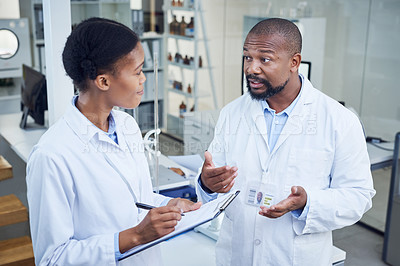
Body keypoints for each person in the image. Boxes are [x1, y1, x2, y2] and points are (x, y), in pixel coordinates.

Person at [196, 18, 375, 265]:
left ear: (294, 62)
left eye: (264, 59)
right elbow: (213, 179)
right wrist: (207, 183)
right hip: (236, 255)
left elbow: (359, 196)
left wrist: (308, 203)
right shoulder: (232, 113)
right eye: (247, 57)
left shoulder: (339, 121)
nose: (251, 68)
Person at [26, 17, 201, 266]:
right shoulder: (52, 155)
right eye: (138, 72)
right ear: (104, 81)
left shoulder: (126, 125)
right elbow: (53, 259)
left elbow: (135, 199)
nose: (144, 79)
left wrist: (169, 205)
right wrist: (134, 236)